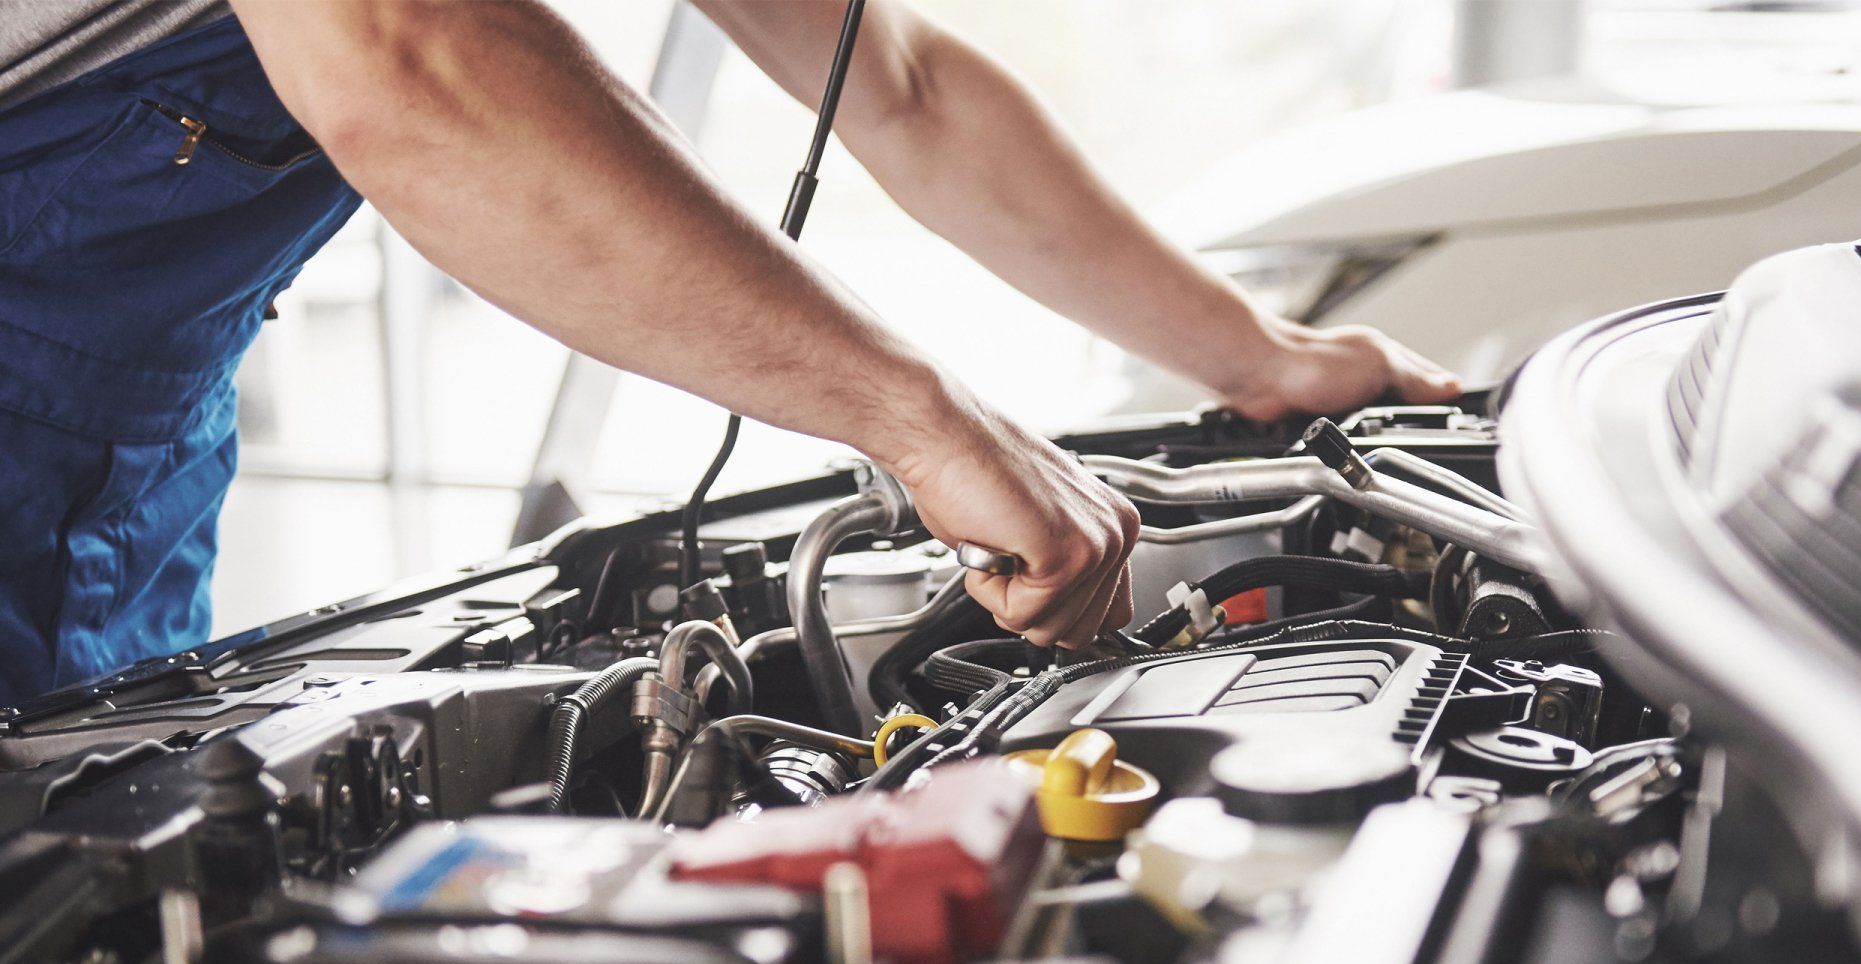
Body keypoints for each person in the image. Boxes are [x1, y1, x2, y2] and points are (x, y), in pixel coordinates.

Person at [0, 0, 1459, 706]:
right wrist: (923, 419)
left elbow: (902, 89)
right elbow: (409, 57)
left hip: (120, 448)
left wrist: (1260, 358)